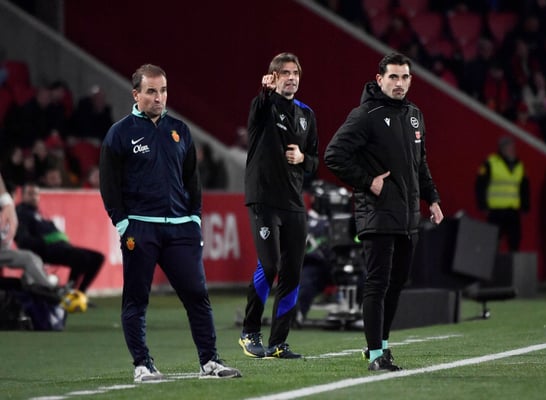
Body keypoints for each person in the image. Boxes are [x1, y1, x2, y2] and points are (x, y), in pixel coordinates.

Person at [98, 63, 241, 382]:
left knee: (197, 295)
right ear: (136, 95)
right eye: (151, 91)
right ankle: (142, 365)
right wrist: (123, 224)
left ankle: (210, 362)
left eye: (163, 90)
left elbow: (192, 180)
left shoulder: (180, 130)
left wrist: (194, 219)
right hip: (140, 228)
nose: (159, 97)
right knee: (137, 299)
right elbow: (108, 185)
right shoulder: (119, 133)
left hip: (181, 228)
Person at [324, 53, 444, 371]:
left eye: (404, 77)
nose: (399, 83)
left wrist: (432, 199)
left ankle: (382, 347)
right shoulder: (366, 114)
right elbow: (333, 154)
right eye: (393, 77)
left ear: (410, 80)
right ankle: (376, 355)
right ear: (380, 79)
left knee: (397, 282)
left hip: (407, 216)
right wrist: (368, 182)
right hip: (376, 213)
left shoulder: (414, 115)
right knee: (377, 283)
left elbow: (420, 164)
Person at [238, 52, 319, 359]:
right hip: (264, 199)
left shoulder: (307, 114)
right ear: (273, 77)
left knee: (292, 272)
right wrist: (264, 91)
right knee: (270, 265)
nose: (291, 78)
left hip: (293, 202)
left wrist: (303, 158)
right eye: (285, 73)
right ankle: (250, 332)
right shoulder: (263, 106)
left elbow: (315, 161)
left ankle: (278, 343)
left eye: (295, 73)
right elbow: (258, 109)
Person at [14, 183, 104, 293]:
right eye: (30, 194)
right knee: (80, 258)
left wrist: (59, 237)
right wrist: (47, 240)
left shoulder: (39, 213)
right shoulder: (21, 213)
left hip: (60, 247)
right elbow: (23, 241)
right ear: (23, 196)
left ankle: (80, 292)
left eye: (36, 194)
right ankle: (71, 291)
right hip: (45, 250)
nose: (34, 197)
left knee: (98, 258)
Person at [475, 136, 530, 252]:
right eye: (510, 147)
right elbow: (480, 185)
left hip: (512, 211)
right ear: (502, 148)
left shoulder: (519, 165)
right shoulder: (491, 162)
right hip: (496, 211)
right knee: (493, 241)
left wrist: (525, 206)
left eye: (513, 148)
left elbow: (524, 187)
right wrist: (483, 205)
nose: (512, 150)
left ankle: (511, 263)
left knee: (515, 240)